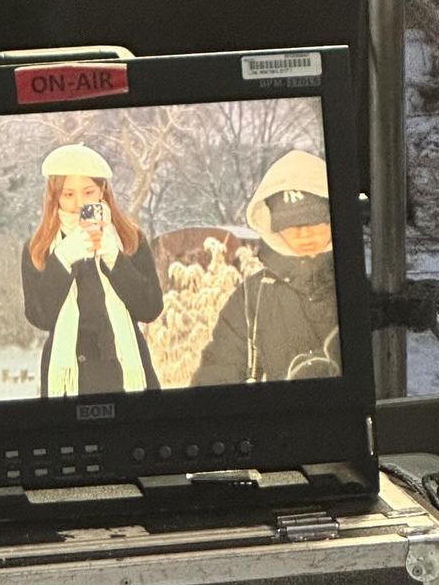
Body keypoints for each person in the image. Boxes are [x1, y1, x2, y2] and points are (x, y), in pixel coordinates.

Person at [21, 144, 163, 397]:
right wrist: (62, 259)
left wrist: (114, 259)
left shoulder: (129, 239)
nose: (79, 203)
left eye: (88, 192)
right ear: (54, 196)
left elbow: (150, 308)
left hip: (126, 373)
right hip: (69, 381)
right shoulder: (39, 248)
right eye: (68, 194)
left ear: (102, 190)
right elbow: (39, 316)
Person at [192, 149, 340, 385]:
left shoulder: (366, 277)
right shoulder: (251, 299)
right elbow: (217, 376)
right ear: (273, 228)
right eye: (290, 224)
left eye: (314, 220)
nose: (303, 234)